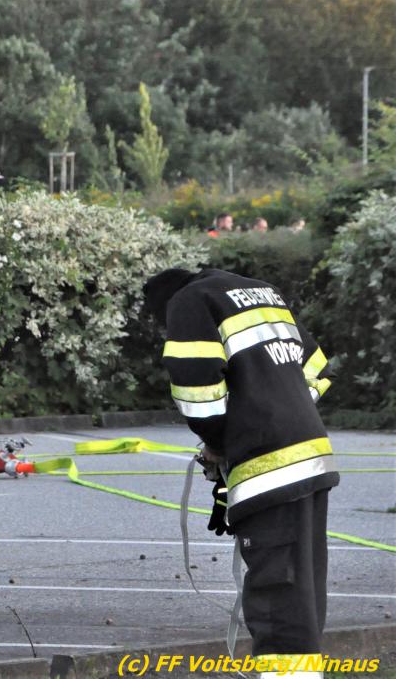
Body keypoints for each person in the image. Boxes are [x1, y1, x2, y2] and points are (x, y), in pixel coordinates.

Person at [143, 268, 339, 676]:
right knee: (300, 591)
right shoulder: (262, 293)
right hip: (312, 458)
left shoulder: (189, 302)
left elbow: (197, 392)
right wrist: (277, 414)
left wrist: (220, 443)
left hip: (270, 469)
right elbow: (316, 370)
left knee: (277, 597)